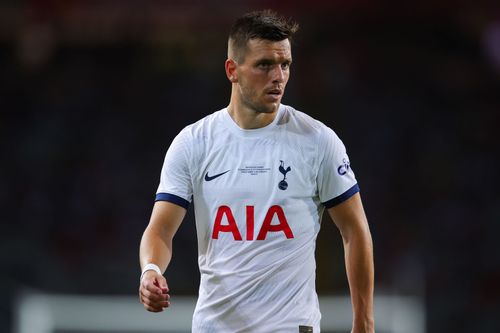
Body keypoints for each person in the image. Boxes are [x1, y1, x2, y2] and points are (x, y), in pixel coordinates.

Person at [139, 9, 374, 333]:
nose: (278, 76)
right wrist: (150, 269)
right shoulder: (194, 143)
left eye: (285, 65)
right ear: (232, 70)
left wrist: (363, 323)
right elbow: (160, 229)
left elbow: (355, 230)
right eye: (265, 65)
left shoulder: (317, 141)